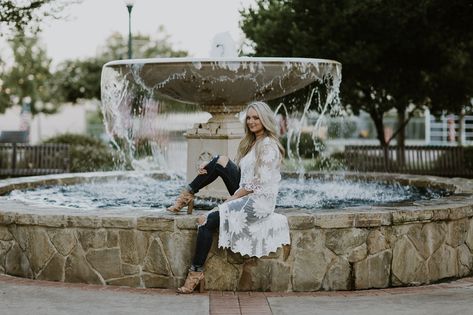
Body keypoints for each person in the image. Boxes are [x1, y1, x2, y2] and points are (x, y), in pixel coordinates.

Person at [167, 101, 291, 294]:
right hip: (246, 192)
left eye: (256, 118)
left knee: (205, 220)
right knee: (220, 160)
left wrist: (227, 203)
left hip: (258, 202)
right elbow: (243, 174)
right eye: (249, 118)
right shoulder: (252, 142)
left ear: (265, 120)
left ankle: (196, 273)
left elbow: (255, 185)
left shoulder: (269, 146)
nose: (251, 121)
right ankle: (188, 194)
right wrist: (211, 164)